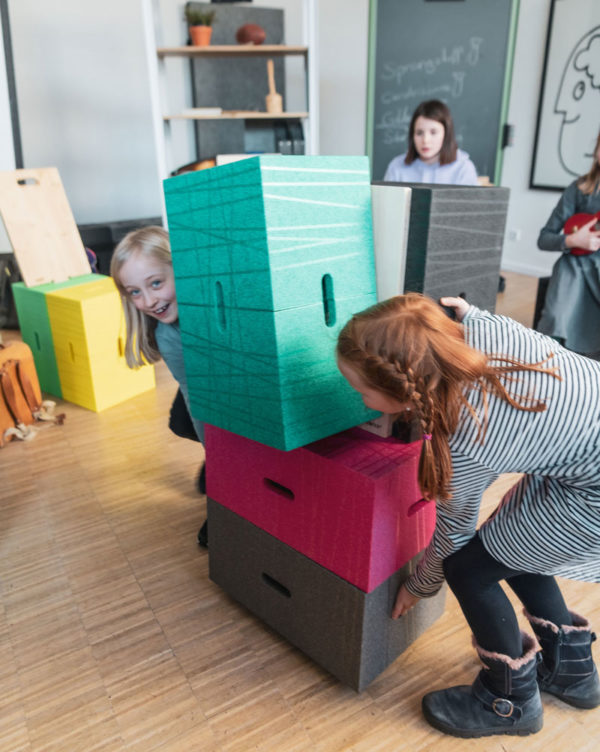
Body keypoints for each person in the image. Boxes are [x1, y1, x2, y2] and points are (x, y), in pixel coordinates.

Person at [337, 292, 600, 739]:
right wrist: (467, 312)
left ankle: (511, 704)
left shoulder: (467, 433)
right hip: (586, 453)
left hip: (592, 495)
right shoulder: (476, 330)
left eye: (361, 390)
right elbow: (465, 314)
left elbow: (452, 537)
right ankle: (572, 671)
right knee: (512, 545)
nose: (359, 400)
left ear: (405, 392)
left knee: (469, 569)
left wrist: (419, 585)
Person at [110, 226, 208, 547]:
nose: (150, 300)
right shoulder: (168, 336)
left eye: (156, 283)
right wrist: (221, 457)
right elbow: (196, 399)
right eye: (135, 292)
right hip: (200, 389)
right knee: (182, 422)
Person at [536, 129, 600, 358]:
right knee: (556, 317)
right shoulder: (578, 189)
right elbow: (544, 239)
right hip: (573, 268)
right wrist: (574, 240)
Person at [383, 99, 479, 185]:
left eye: (433, 132)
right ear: (412, 135)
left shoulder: (463, 168)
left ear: (446, 134)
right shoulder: (396, 167)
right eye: (419, 133)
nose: (425, 140)